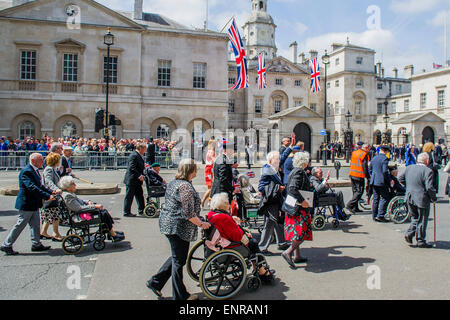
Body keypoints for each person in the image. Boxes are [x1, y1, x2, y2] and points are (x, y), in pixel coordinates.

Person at [146, 159, 210, 300]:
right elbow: (188, 213)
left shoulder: (175, 182)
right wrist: (202, 224)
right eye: (195, 169)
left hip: (169, 223)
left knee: (177, 257)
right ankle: (180, 296)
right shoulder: (185, 187)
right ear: (190, 171)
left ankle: (155, 282)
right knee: (179, 261)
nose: (197, 171)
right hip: (177, 227)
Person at [206, 193, 274, 283]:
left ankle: (258, 268)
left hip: (218, 242)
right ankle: (261, 270)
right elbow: (237, 236)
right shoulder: (224, 218)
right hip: (230, 246)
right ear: (224, 205)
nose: (229, 205)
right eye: (228, 204)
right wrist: (240, 227)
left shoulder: (212, 214)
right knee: (253, 243)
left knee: (251, 241)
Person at [1, 153, 55, 255]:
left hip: (33, 203)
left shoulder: (35, 170)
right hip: (27, 203)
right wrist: (47, 196)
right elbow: (32, 187)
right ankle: (6, 244)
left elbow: (40, 186)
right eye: (40, 160)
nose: (42, 162)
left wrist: (51, 192)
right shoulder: (27, 171)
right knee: (20, 224)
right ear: (33, 161)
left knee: (35, 225)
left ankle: (36, 244)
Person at [59, 176, 124, 242]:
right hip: (78, 216)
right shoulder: (68, 196)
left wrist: (88, 202)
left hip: (80, 212)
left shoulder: (70, 193)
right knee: (103, 213)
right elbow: (79, 208)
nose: (75, 185)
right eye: (73, 184)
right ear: (67, 187)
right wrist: (94, 206)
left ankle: (110, 232)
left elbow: (80, 201)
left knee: (103, 212)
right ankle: (112, 234)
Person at [282, 151, 313, 268]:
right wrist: (302, 201)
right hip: (299, 208)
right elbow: (292, 188)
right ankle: (288, 252)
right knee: (301, 232)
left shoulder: (295, 171)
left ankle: (297, 255)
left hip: (294, 206)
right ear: (304, 162)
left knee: (296, 233)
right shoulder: (299, 172)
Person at [399, 153, 437, 248]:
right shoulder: (428, 171)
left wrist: (409, 187)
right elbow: (429, 187)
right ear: (427, 161)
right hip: (421, 198)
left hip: (409, 196)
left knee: (415, 217)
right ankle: (420, 240)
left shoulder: (409, 167)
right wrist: (433, 197)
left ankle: (409, 233)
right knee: (422, 219)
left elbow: (400, 178)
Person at [257, 151, 289, 255]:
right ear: (271, 160)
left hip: (275, 200)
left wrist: (290, 148)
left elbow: (283, 157)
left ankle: (281, 243)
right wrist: (277, 188)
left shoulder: (274, 169)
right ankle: (262, 248)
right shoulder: (267, 169)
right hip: (270, 201)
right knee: (270, 223)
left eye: (279, 159)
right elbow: (261, 188)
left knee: (278, 221)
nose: (279, 160)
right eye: (277, 159)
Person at [40, 153, 64, 241]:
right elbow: (48, 181)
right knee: (55, 215)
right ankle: (55, 233)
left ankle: (43, 232)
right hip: (51, 194)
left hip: (51, 194)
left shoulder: (52, 169)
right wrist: (56, 189)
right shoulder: (49, 169)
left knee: (48, 213)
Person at [369, 145, 393, 222]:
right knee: (385, 197)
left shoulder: (374, 158)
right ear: (386, 151)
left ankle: (374, 215)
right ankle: (381, 215)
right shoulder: (384, 159)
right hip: (381, 181)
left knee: (376, 198)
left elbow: (370, 169)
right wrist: (389, 180)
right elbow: (385, 171)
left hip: (374, 180)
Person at [123, 143, 147, 217]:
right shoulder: (134, 155)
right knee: (129, 196)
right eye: (144, 149)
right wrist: (139, 175)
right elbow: (132, 167)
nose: (145, 150)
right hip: (132, 179)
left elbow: (138, 165)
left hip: (137, 181)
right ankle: (126, 212)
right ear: (140, 148)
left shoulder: (138, 155)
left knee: (140, 195)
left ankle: (142, 210)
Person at [346, 143, 370, 214]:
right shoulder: (364, 154)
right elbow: (365, 166)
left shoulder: (355, 152)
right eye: (369, 148)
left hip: (352, 174)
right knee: (359, 191)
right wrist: (368, 177)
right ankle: (350, 205)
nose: (369, 150)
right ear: (366, 148)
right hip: (359, 175)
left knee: (355, 191)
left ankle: (355, 207)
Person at [202, 139, 217, 207]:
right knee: (210, 188)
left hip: (208, 169)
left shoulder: (209, 151)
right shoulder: (212, 151)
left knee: (211, 186)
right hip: (210, 170)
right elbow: (214, 160)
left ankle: (209, 201)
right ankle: (202, 201)